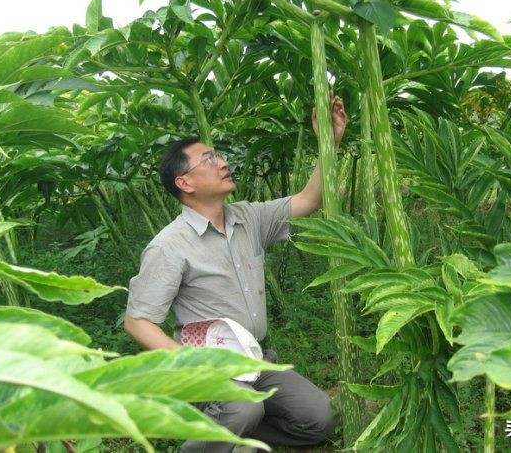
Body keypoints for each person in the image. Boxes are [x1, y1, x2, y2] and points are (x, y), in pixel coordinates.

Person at [124, 94, 347, 452]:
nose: (223, 162)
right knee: (242, 408)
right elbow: (137, 322)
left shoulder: (249, 217)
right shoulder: (168, 246)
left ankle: (236, 437)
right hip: (210, 365)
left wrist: (328, 140)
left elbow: (309, 200)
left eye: (219, 155)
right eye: (209, 159)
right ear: (185, 183)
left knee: (319, 418)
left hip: (256, 358)